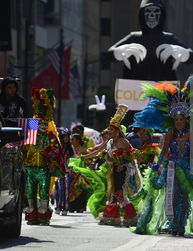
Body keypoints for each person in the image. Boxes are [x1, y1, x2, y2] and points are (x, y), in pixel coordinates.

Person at [130, 76, 193, 237]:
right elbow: (165, 152)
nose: (179, 122)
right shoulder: (170, 133)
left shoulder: (189, 133)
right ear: (174, 120)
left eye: (181, 119)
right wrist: (159, 165)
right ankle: (173, 224)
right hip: (171, 167)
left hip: (186, 168)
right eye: (177, 119)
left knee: (184, 197)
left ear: (185, 119)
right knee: (171, 196)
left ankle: (181, 224)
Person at [71, 104, 143, 225]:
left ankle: (131, 218)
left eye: (112, 129)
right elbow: (98, 150)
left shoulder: (122, 141)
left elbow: (133, 155)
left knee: (120, 193)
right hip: (112, 169)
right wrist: (84, 156)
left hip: (122, 170)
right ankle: (111, 217)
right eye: (109, 129)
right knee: (112, 194)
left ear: (118, 131)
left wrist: (122, 162)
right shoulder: (109, 141)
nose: (109, 131)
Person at [23, 88, 64, 225]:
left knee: (44, 193)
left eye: (45, 124)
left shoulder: (51, 137)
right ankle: (31, 217)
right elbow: (23, 148)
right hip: (29, 169)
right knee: (30, 193)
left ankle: (43, 217)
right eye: (40, 123)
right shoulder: (29, 134)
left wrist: (52, 163)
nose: (43, 126)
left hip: (44, 169)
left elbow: (56, 151)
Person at [54, 128, 75, 216]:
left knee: (66, 190)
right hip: (58, 171)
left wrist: (72, 169)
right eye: (64, 137)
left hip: (67, 171)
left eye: (67, 137)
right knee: (59, 190)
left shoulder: (70, 148)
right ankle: (58, 206)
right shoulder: (57, 147)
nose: (66, 138)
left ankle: (65, 207)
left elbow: (74, 160)